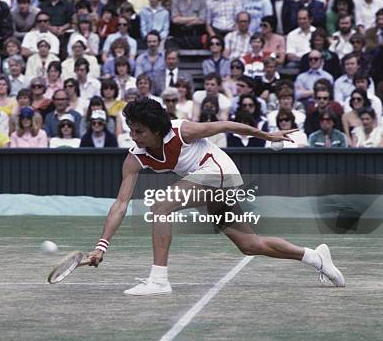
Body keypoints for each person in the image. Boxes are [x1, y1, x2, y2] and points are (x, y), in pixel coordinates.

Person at [86, 98, 345, 295]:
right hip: (210, 182)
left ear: (156, 130)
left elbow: (226, 125)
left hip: (219, 171)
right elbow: (121, 204)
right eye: (131, 129)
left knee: (160, 206)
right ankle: (316, 257)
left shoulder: (182, 131)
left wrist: (266, 135)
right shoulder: (135, 157)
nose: (133, 136)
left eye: (139, 131)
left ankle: (159, 280)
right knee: (250, 245)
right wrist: (101, 246)